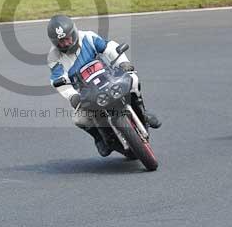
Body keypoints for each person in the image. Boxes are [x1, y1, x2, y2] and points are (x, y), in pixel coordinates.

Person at [46, 14, 160, 157]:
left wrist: (122, 62)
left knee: (133, 79)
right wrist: (72, 96)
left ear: (73, 33)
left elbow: (109, 47)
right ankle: (99, 138)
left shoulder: (88, 37)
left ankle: (143, 112)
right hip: (85, 91)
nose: (66, 44)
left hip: (108, 77)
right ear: (55, 42)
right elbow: (57, 79)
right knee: (79, 119)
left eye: (67, 38)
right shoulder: (53, 57)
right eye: (60, 42)